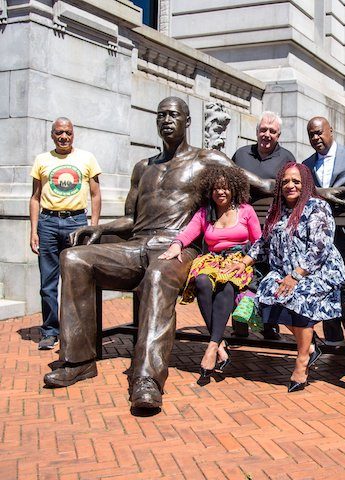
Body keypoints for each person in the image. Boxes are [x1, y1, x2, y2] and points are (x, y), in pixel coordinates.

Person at [42, 97, 274, 410]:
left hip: (178, 248)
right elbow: (132, 219)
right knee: (75, 258)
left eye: (173, 115)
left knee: (157, 275)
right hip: (136, 245)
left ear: (188, 121)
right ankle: (78, 361)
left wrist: (318, 190)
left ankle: (147, 379)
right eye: (161, 115)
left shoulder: (207, 159)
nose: (166, 120)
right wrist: (99, 228)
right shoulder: (143, 168)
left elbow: (265, 185)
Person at [224, 163, 345, 392]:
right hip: (283, 271)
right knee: (267, 295)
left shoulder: (317, 207)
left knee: (295, 296)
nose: (290, 185)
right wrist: (243, 262)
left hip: (318, 271)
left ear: (306, 184)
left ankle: (301, 361)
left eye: (296, 181)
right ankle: (310, 347)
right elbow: (263, 243)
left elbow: (319, 248)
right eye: (286, 181)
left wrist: (296, 276)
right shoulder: (276, 209)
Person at [158, 165, 261, 383]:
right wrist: (176, 245)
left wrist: (244, 263)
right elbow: (188, 233)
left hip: (239, 261)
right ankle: (219, 345)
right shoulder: (205, 212)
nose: (220, 192)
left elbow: (260, 242)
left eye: (225, 188)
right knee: (202, 282)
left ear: (233, 188)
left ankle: (212, 346)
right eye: (215, 189)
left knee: (226, 285)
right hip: (212, 260)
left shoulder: (245, 211)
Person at [29, 117, 102, 350]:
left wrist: (93, 226)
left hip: (76, 222)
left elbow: (96, 194)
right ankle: (50, 331)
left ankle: (76, 330)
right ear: (52, 134)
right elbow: (35, 197)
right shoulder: (42, 160)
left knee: (77, 280)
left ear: (73, 134)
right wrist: (33, 230)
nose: (63, 137)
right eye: (59, 133)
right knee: (48, 282)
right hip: (48, 222)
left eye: (68, 133)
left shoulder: (87, 158)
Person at [302, 116, 345, 346]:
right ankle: (333, 342)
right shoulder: (306, 164)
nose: (316, 137)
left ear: (331, 131)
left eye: (320, 132)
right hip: (320, 239)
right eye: (312, 134)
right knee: (324, 286)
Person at [231, 111, 295, 339]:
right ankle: (238, 321)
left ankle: (270, 324)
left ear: (279, 135)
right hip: (241, 226)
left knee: (271, 274)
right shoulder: (240, 155)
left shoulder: (287, 157)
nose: (266, 135)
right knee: (240, 270)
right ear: (257, 131)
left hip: (272, 229)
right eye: (263, 130)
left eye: (272, 131)